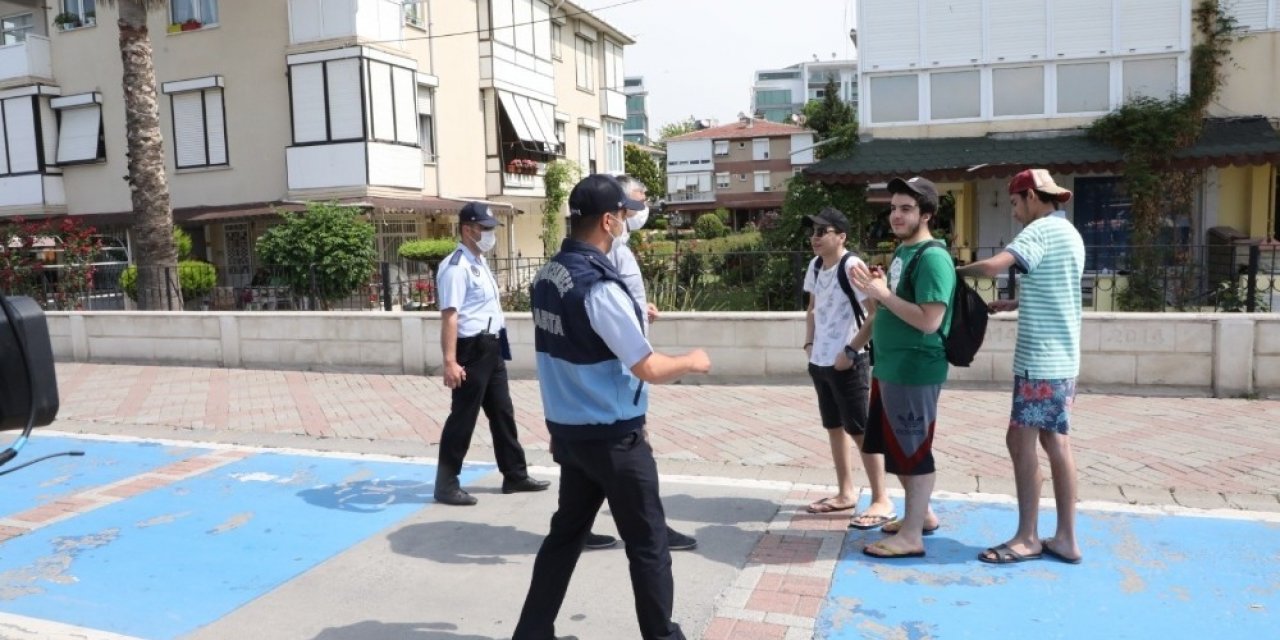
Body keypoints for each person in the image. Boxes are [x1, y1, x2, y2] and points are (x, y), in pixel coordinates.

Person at [514, 174, 711, 640]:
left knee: (565, 538)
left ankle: (531, 633)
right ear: (608, 220)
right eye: (623, 214)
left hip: (570, 433)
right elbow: (646, 366)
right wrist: (692, 360)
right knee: (648, 545)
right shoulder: (599, 286)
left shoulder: (547, 276)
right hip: (613, 437)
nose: (626, 221)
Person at [958, 169, 1086, 565]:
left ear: (1031, 196)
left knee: (1020, 441)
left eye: (1014, 203)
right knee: (1055, 442)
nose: (1014, 212)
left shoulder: (1039, 231)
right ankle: (1065, 538)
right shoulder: (1070, 233)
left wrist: (950, 269)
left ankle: (1027, 537)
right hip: (1063, 358)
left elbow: (995, 267)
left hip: (1039, 361)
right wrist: (1017, 303)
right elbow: (1057, 287)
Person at [580, 174, 697, 552]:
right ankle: (653, 532)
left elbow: (615, 299)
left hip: (624, 361)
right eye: (636, 203)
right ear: (614, 210)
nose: (641, 210)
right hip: (622, 370)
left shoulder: (618, 246)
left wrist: (638, 310)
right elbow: (601, 303)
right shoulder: (606, 247)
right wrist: (691, 361)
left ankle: (576, 528)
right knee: (630, 458)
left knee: (592, 462)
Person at [847, 176, 956, 559]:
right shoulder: (903, 254)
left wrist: (884, 295)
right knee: (898, 449)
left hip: (913, 371)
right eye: (893, 207)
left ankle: (911, 536)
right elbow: (892, 304)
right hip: (891, 368)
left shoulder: (933, 258)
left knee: (914, 451)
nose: (896, 214)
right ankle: (920, 516)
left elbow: (929, 320)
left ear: (926, 214)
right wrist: (880, 292)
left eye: (906, 208)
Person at [433, 202, 549, 506]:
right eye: (484, 228)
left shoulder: (479, 261)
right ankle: (446, 484)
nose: (489, 234)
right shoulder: (456, 266)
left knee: (502, 412)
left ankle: (514, 474)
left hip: (493, 345)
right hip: (471, 349)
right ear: (467, 229)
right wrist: (450, 361)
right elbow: (450, 316)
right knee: (463, 417)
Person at [800, 206, 895, 530]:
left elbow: (875, 312)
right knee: (834, 427)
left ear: (841, 236)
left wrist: (851, 351)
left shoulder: (851, 265)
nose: (815, 237)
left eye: (822, 231)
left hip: (848, 361)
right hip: (821, 361)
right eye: (813, 232)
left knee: (859, 430)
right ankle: (845, 492)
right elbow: (812, 309)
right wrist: (810, 345)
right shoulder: (815, 266)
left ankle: (882, 498)